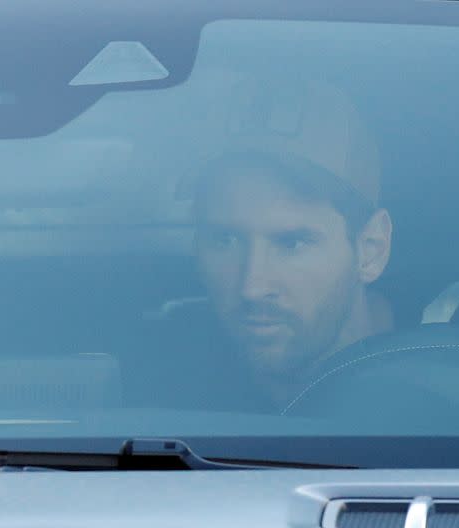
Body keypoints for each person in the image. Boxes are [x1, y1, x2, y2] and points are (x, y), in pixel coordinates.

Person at [167, 77, 394, 412]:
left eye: (293, 243)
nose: (252, 287)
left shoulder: (440, 415)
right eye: (225, 240)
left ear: (371, 249)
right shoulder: (166, 397)